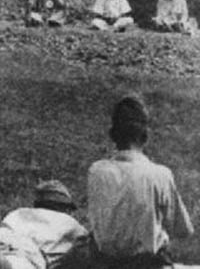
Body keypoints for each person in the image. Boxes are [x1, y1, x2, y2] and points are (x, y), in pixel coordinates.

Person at [55, 95, 193, 269]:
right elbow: (183, 230)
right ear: (145, 134)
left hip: (103, 263)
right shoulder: (160, 174)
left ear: (114, 134)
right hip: (147, 264)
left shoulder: (96, 170)